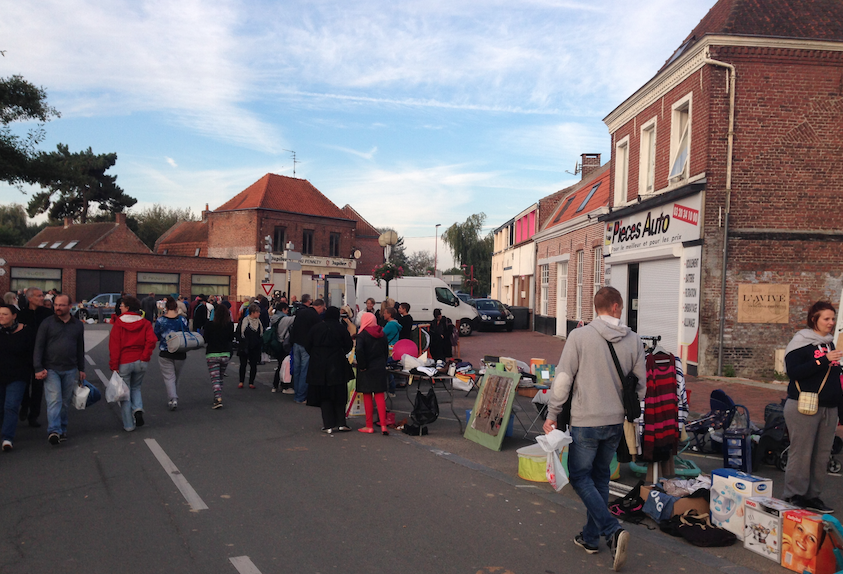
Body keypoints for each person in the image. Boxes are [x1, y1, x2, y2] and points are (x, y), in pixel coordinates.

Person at [543, 287, 645, 571]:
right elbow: (640, 386)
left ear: (596, 307)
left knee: (579, 476)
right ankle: (590, 538)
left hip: (586, 420)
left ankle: (612, 530)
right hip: (615, 422)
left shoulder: (579, 337)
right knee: (600, 476)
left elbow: (563, 379)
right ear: (614, 307)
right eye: (621, 307)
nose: (622, 311)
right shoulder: (634, 340)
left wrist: (552, 413)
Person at [782, 300, 843, 514]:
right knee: (802, 453)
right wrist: (823, 360)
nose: (831, 323)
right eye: (826, 319)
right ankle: (794, 495)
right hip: (803, 405)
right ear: (814, 319)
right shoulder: (801, 342)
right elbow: (794, 371)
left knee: (821, 455)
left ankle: (812, 496)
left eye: (833, 319)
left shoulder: (830, 343)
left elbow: (836, 378)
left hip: (828, 407)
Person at [33, 294, 86, 445]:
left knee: (65, 401)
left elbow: (80, 348)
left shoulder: (77, 325)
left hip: (70, 368)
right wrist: (38, 367)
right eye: (56, 305)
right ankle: (54, 430)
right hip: (51, 368)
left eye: (62, 305)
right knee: (54, 400)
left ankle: (62, 429)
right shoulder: (47, 323)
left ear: (70, 306)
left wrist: (81, 368)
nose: (58, 308)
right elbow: (39, 346)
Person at [109, 296, 157, 432]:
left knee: (124, 393)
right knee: (136, 387)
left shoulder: (119, 323)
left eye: (122, 305)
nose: (120, 307)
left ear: (128, 307)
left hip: (124, 361)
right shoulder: (145, 323)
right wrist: (144, 357)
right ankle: (137, 408)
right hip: (141, 361)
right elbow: (151, 341)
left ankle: (129, 424)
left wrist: (114, 365)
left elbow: (114, 346)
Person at [304, 306, 354, 433]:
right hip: (337, 363)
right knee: (339, 394)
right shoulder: (341, 328)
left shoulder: (316, 328)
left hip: (319, 365)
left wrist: (316, 354)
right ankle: (341, 422)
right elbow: (348, 345)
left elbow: (307, 344)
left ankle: (328, 424)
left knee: (324, 395)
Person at [0, 304, 36, 451]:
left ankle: (7, 438)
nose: (1, 317)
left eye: (5, 314)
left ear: (14, 316)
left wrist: (35, 369)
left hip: (18, 375)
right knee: (1, 408)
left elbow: (32, 353)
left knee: (11, 406)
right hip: (0, 374)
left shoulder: (26, 331)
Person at [17, 287, 54, 428]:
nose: (42, 298)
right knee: (24, 384)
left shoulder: (47, 314)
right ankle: (24, 404)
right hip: (24, 354)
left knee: (38, 386)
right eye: (39, 296)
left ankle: (34, 415)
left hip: (42, 355)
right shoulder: (22, 314)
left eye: (42, 295)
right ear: (30, 298)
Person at [355, 312, 390, 435]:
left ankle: (369, 426)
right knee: (380, 395)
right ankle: (384, 425)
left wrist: (362, 365)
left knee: (367, 395)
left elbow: (359, 350)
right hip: (379, 367)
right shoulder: (382, 334)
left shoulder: (362, 335)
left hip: (367, 368)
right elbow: (386, 352)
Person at [154, 296, 190, 411]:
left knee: (169, 377)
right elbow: (187, 333)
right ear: (176, 307)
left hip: (165, 351)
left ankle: (172, 398)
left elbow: (156, 336)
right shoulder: (182, 320)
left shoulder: (160, 321)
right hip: (180, 351)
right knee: (176, 377)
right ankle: (173, 396)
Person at [289, 295, 325, 404]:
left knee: (297, 370)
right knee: (305, 371)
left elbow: (293, 327)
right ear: (319, 307)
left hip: (296, 343)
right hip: (306, 346)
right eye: (322, 309)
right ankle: (301, 396)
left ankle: (297, 394)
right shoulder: (315, 317)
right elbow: (318, 333)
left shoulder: (300, 312)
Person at [204, 302, 234, 409]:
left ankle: (218, 397)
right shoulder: (229, 325)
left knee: (215, 378)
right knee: (220, 377)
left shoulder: (209, 325)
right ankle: (218, 395)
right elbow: (231, 339)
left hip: (212, 353)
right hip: (225, 353)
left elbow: (205, 339)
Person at [236, 303, 264, 389]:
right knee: (243, 364)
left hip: (255, 347)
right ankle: (241, 381)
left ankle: (251, 382)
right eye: (257, 312)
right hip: (244, 347)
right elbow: (238, 333)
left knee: (253, 365)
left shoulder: (259, 323)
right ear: (252, 312)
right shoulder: (244, 321)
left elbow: (261, 334)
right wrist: (242, 341)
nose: (259, 314)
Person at [270, 302, 295, 394]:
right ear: (284, 309)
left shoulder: (273, 317)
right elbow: (295, 319)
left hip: (275, 343)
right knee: (285, 366)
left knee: (279, 365)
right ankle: (285, 386)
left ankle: (275, 385)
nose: (288, 311)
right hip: (284, 344)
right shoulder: (285, 319)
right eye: (287, 310)